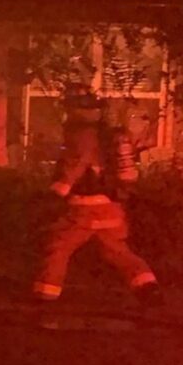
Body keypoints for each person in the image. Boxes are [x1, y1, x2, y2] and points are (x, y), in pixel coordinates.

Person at [31, 88, 160, 304]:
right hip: (110, 208)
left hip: (83, 209)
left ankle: (46, 293)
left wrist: (59, 190)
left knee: (58, 246)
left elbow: (76, 162)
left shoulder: (81, 134)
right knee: (117, 251)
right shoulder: (106, 134)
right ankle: (147, 286)